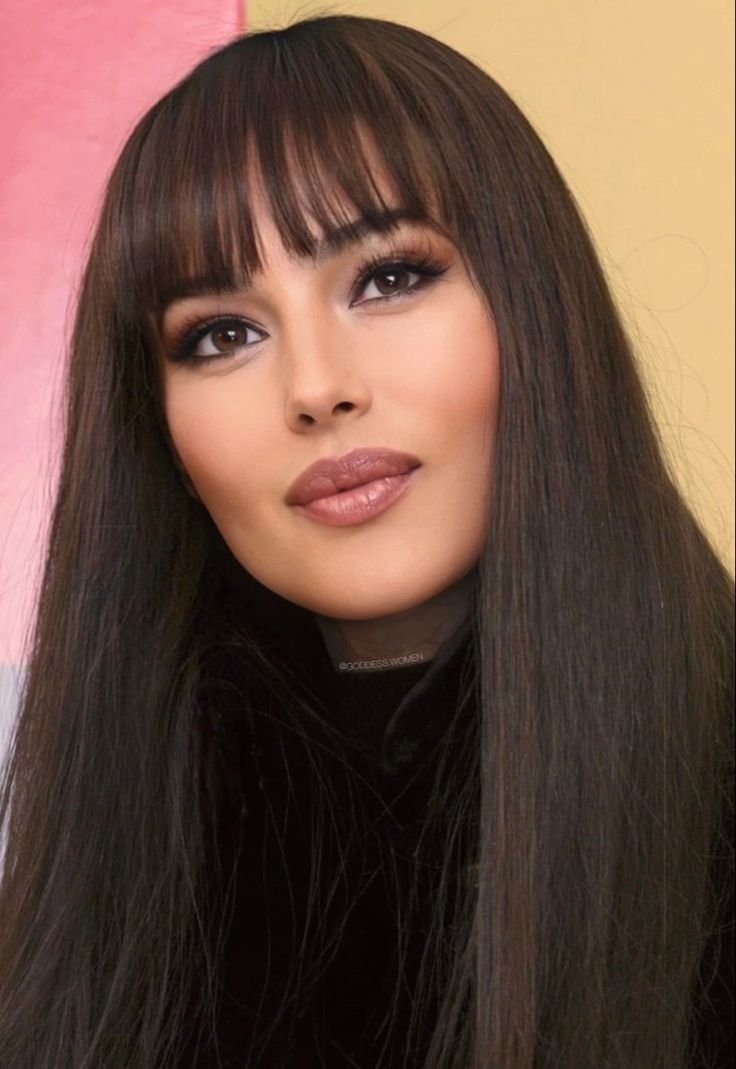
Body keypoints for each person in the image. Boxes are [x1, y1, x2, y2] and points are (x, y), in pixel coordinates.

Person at [0, 14, 732, 1069]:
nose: (315, 387)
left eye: (388, 276)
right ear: (155, 432)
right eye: (222, 334)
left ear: (536, 305)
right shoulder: (112, 866)